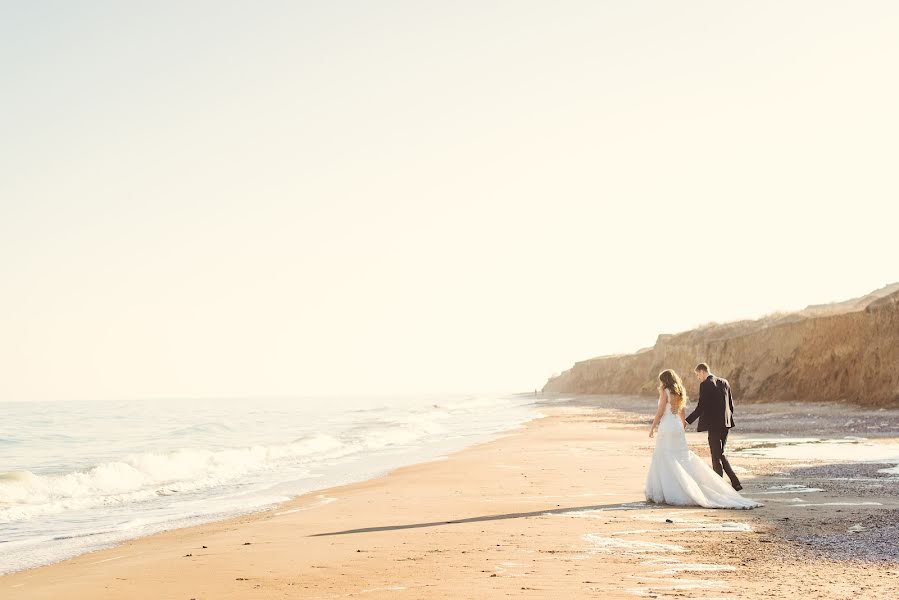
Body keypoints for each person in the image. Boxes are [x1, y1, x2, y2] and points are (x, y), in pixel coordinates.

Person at [645, 368, 760, 509]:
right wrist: (682, 424)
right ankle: (722, 483)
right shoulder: (680, 390)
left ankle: (668, 491)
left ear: (665, 381)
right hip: (678, 426)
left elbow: (661, 411)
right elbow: (682, 410)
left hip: (668, 427)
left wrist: (652, 427)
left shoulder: (666, 391)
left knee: (665, 456)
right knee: (681, 457)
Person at [685, 363, 742, 490]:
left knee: (715, 456)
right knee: (720, 453)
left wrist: (687, 421)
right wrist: (726, 419)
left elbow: (701, 407)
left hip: (714, 425)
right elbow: (731, 405)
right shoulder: (724, 382)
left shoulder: (705, 384)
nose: (698, 378)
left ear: (702, 371)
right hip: (726, 424)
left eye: (697, 375)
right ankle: (735, 482)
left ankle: (719, 486)